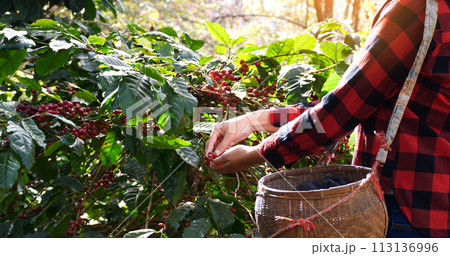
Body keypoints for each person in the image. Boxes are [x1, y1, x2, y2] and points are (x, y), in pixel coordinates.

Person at [205, 0, 449, 238]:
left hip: (405, 212)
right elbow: (354, 103)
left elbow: (340, 112)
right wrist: (253, 121)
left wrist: (255, 154)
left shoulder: (415, 9)